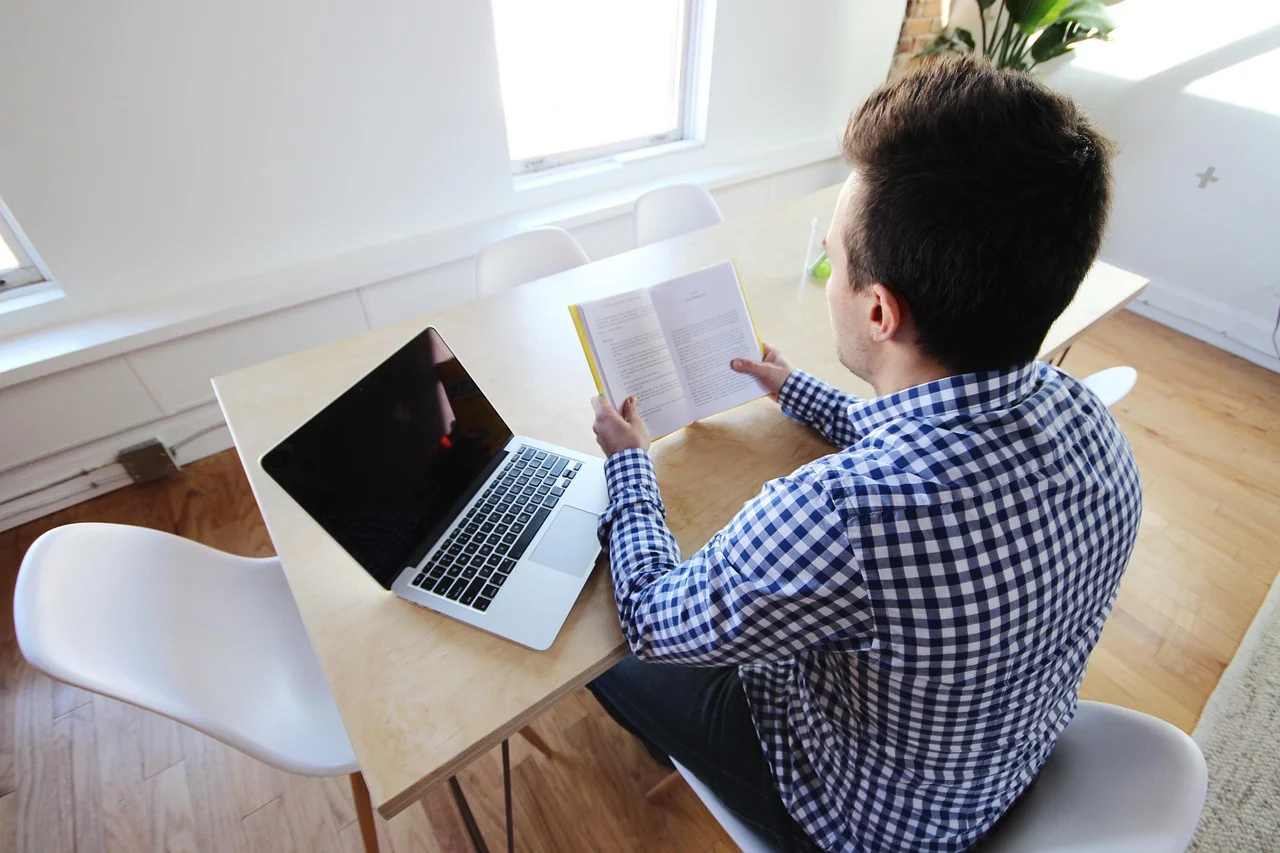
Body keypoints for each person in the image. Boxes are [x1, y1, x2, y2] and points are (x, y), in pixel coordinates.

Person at [584, 55, 1140, 853]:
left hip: (861, 822)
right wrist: (795, 389)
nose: (833, 272)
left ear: (879, 310)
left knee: (604, 662)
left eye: (837, 258)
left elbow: (649, 615)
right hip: (997, 762)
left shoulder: (841, 513)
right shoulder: (1087, 416)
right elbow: (933, 433)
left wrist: (630, 465)